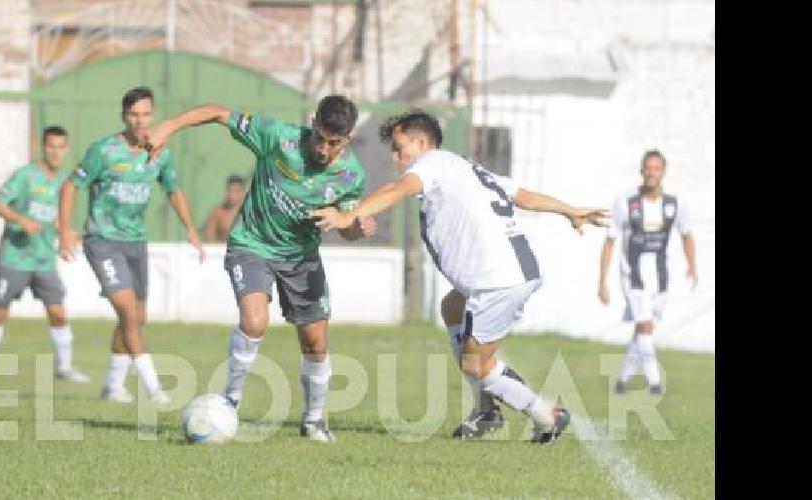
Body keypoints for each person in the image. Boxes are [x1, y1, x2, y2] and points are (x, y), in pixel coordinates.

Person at [311, 109, 608, 444]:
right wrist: (570, 210)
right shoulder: (465, 167)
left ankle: (546, 415)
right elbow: (523, 195)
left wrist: (348, 215)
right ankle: (486, 410)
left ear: (422, 143)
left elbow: (397, 190)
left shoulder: (431, 163)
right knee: (452, 307)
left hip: (499, 280)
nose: (396, 157)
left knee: (475, 365)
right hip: (503, 274)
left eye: (400, 147)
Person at [145, 95, 377, 442]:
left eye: (334, 143)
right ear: (313, 124)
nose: (324, 149)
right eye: (319, 138)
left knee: (316, 343)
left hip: (301, 257)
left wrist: (355, 227)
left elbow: (346, 227)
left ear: (347, 139)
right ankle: (230, 401)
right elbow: (218, 112)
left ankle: (313, 421)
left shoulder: (350, 175)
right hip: (251, 244)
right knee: (254, 321)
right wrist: (170, 126)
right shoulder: (278, 136)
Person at [57, 87, 205, 404]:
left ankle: (112, 386)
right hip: (103, 241)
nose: (140, 121)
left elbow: (173, 190)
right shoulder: (104, 151)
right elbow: (71, 185)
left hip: (136, 242)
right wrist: (65, 229)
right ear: (124, 116)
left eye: (146, 114)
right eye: (134, 115)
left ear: (153, 115)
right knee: (126, 311)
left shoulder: (160, 152)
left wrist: (190, 228)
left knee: (136, 318)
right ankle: (155, 390)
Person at [0, 125, 90, 384]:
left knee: (59, 313)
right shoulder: (25, 175)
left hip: (44, 260)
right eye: (51, 146)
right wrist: (21, 220)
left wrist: (69, 233)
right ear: (42, 147)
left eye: (61, 147)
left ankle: (65, 368)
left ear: (67, 149)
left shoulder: (66, 183)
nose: (56, 152)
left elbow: (62, 221)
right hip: (14, 257)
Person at [598, 150, 697, 395]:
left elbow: (687, 235)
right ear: (641, 171)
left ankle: (622, 380)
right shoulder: (626, 201)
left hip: (660, 277)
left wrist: (692, 266)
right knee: (644, 325)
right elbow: (610, 241)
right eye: (647, 168)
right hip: (632, 275)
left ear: (663, 172)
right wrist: (602, 281)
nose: (651, 173)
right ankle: (655, 382)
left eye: (656, 168)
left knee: (645, 329)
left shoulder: (675, 204)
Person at [201, 174, 247, 242]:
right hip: (224, 250)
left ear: (243, 192)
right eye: (230, 191)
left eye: (236, 191)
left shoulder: (252, 213)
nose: (232, 195)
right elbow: (207, 237)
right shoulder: (218, 213)